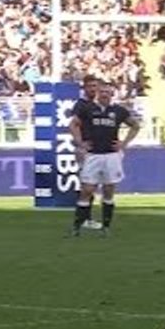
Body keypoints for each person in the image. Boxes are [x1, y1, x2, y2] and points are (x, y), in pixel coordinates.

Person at [67, 81, 140, 237]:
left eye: (107, 91)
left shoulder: (119, 111)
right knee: (87, 190)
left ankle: (106, 227)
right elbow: (73, 125)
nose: (104, 94)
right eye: (102, 91)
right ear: (97, 94)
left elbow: (135, 125)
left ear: (112, 94)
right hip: (92, 154)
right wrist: (80, 142)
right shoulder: (87, 109)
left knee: (109, 190)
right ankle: (77, 226)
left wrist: (124, 143)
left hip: (111, 155)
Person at [68, 76, 104, 234]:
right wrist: (80, 143)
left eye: (95, 86)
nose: (93, 89)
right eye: (90, 86)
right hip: (86, 150)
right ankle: (84, 219)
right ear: (84, 88)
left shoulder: (96, 106)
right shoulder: (81, 105)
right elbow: (73, 124)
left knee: (92, 185)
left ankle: (85, 218)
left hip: (97, 150)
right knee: (87, 186)